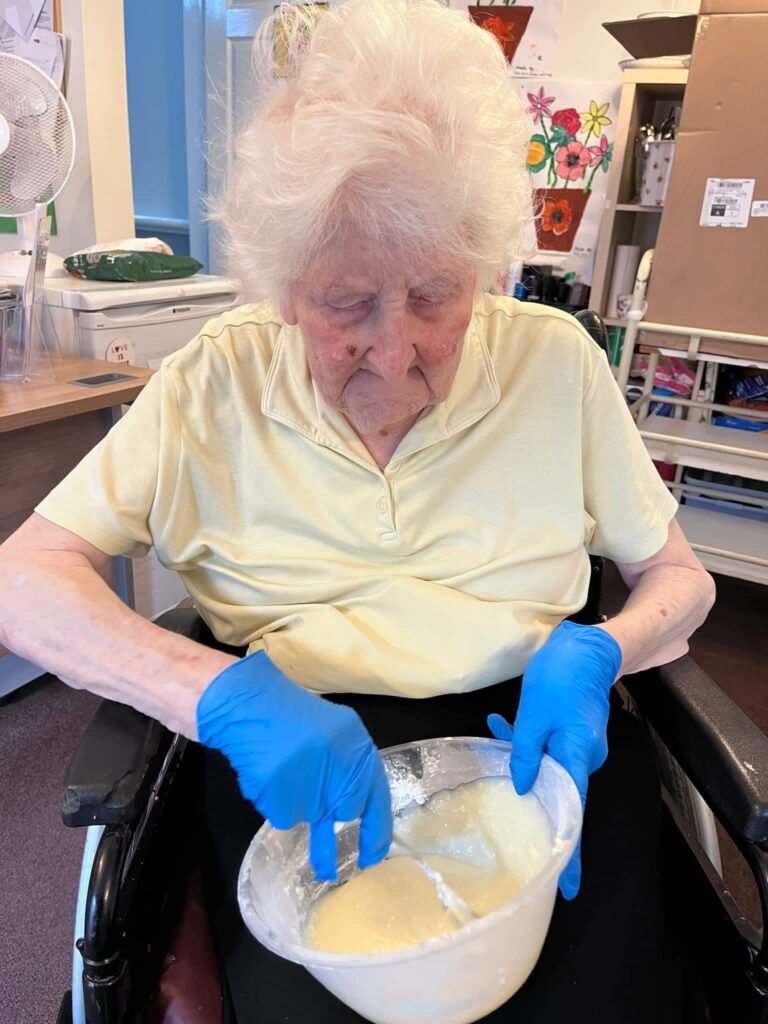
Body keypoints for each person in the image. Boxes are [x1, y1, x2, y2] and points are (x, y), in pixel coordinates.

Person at [0, 1, 714, 1019]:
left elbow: (680, 578)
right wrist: (215, 697)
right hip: (301, 761)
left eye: (436, 294)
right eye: (347, 304)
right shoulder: (214, 384)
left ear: (485, 267)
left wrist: (607, 647)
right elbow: (22, 580)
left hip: (533, 739)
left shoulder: (556, 367)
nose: (395, 347)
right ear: (284, 288)